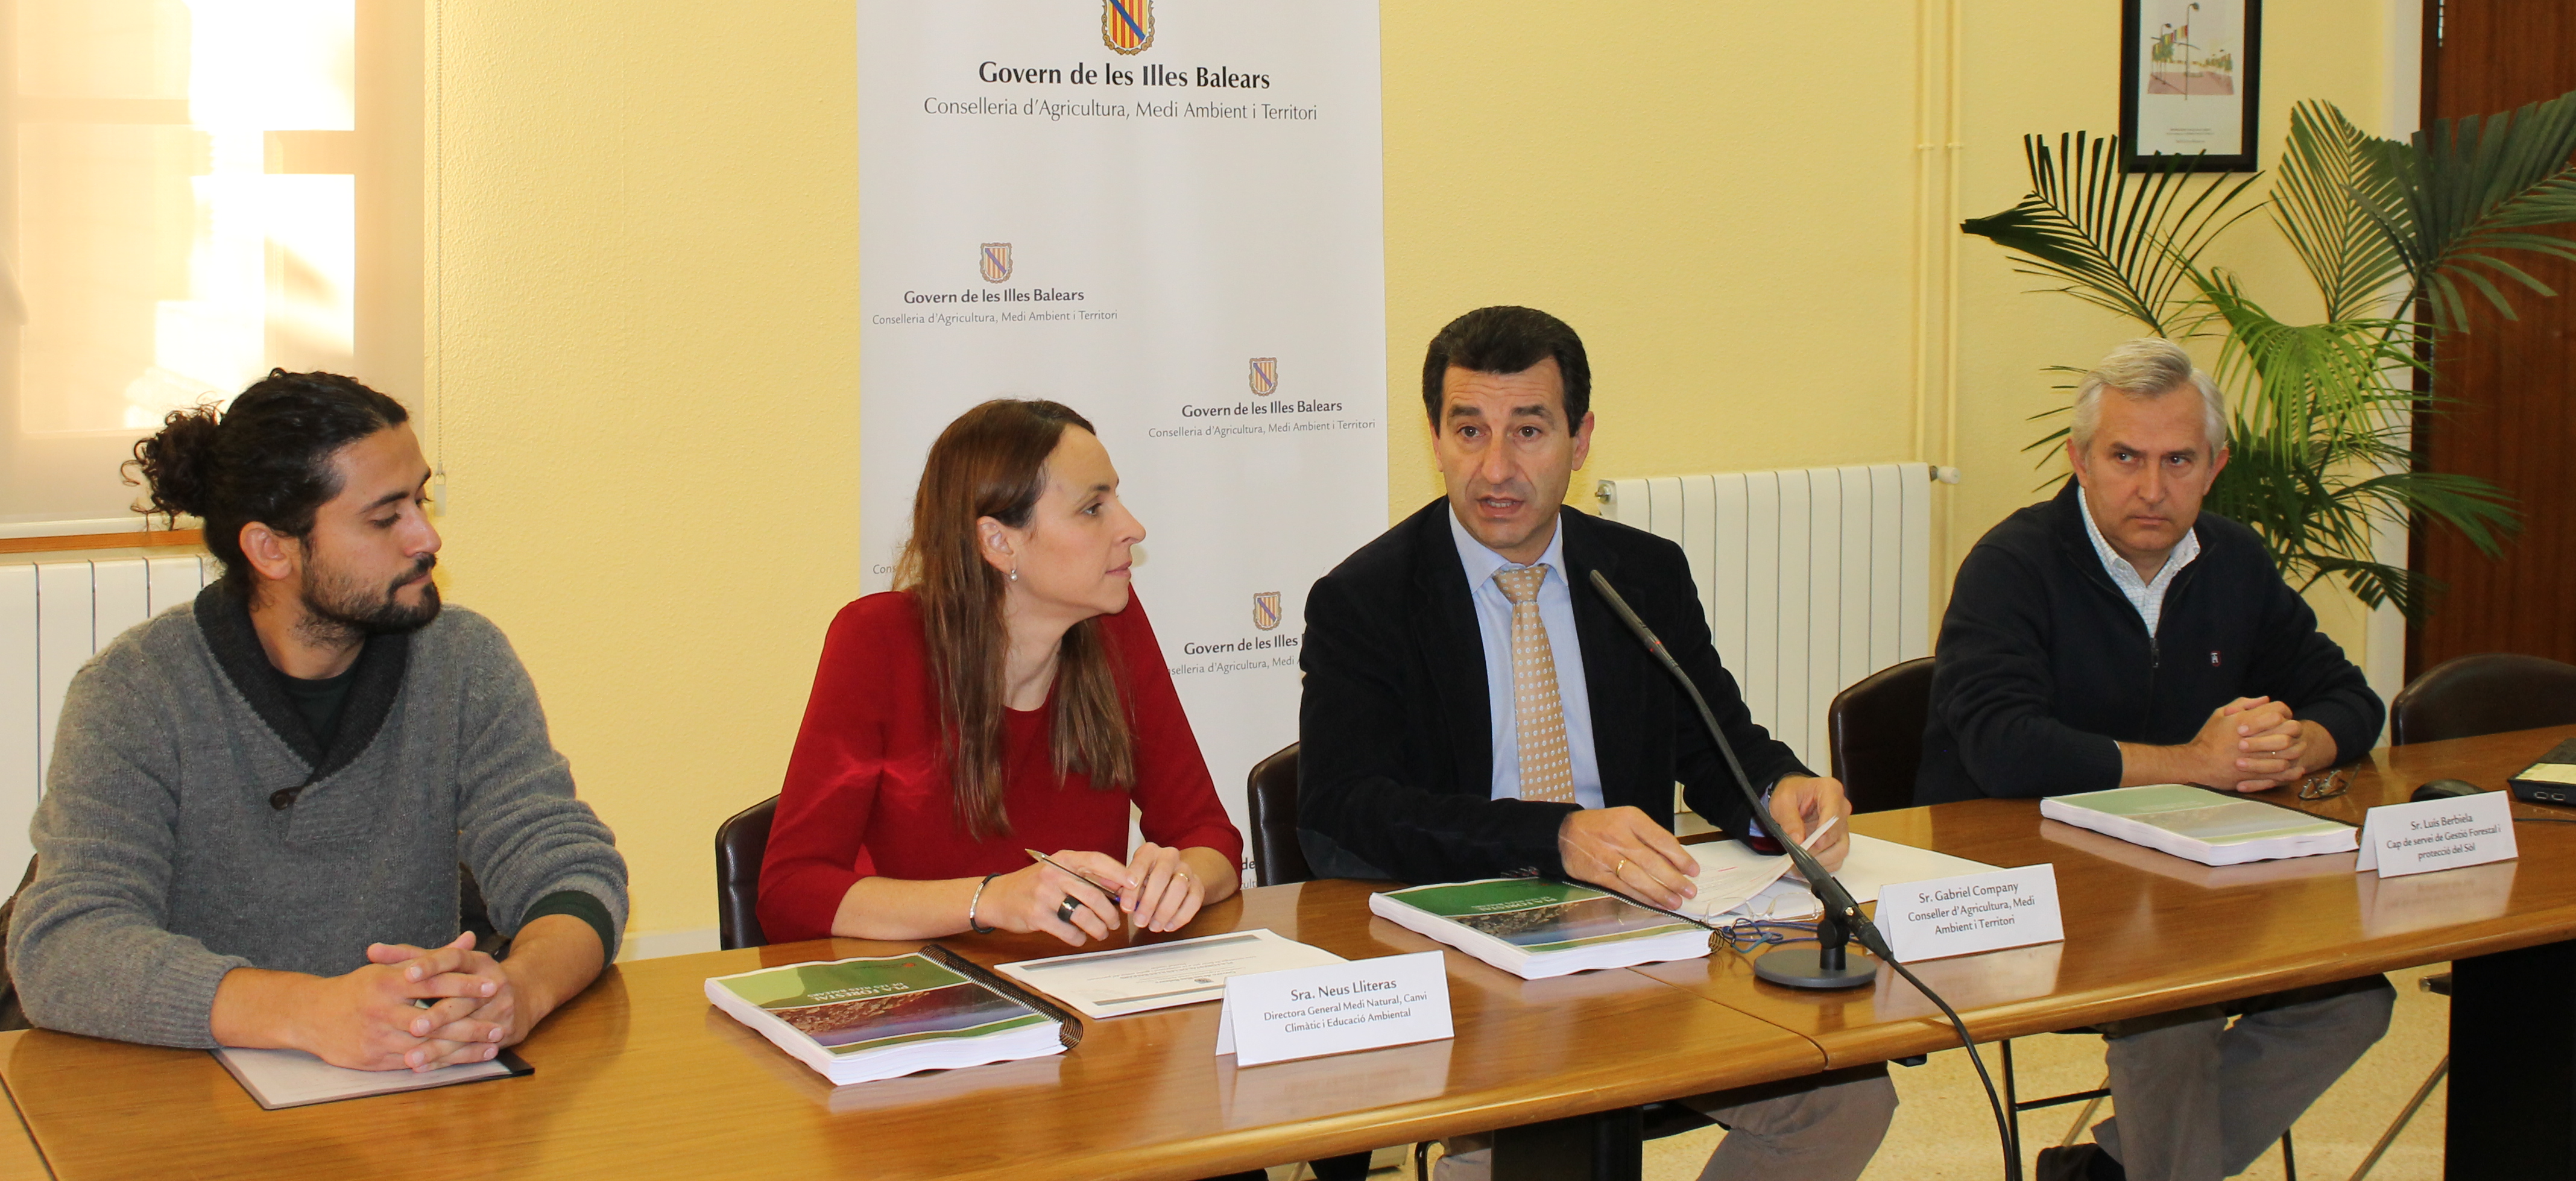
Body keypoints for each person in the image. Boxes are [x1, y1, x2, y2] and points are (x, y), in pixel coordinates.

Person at [1298, 307, 1894, 1181]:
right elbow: (1344, 808)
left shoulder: (1642, 572)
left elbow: (1713, 739)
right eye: (1470, 430)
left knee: (1845, 1096)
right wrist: (1556, 838)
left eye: (1528, 430)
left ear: (1579, 441)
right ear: (1435, 439)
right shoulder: (1367, 599)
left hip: (1641, 934)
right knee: (1540, 1150)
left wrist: (1778, 787)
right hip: (1471, 949)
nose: (1495, 468)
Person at [7, 371, 625, 1069]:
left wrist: (519, 990)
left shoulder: (464, 659)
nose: (427, 537)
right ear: (272, 549)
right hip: (188, 1092)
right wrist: (309, 1012)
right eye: (386, 517)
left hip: (411, 1087)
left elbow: (568, 865)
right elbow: (64, 947)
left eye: (420, 499)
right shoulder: (135, 690)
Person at [1919, 338, 2393, 1181]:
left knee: (2351, 998)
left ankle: (2109, 1171)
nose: (2151, 488)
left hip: (2190, 884)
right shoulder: (2013, 564)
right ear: (2080, 461)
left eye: (2178, 460)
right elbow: (2004, 749)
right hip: (2031, 886)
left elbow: (2350, 698)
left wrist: (2298, 743)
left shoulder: (2234, 560)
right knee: (2173, 1010)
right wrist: (2197, 763)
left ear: (2216, 466)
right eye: (2125, 458)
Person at [759, 398, 1242, 945]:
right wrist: (991, 899)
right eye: (1093, 508)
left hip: (1077, 985)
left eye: (1117, 499)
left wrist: (1181, 878)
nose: (1133, 528)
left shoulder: (1115, 627)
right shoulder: (879, 640)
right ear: (998, 541)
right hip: (925, 985)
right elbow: (790, 892)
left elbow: (1209, 837)